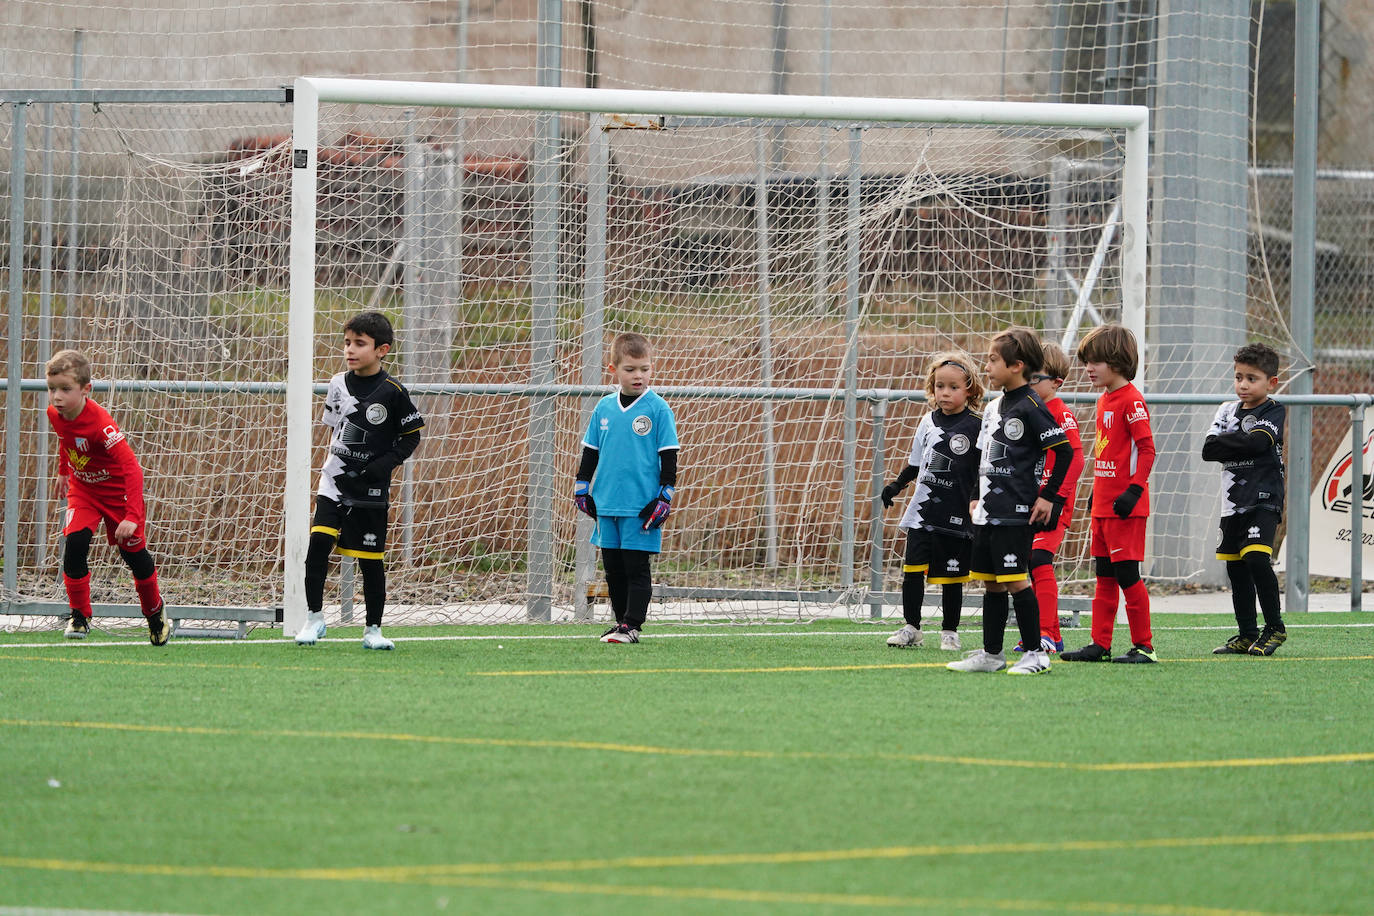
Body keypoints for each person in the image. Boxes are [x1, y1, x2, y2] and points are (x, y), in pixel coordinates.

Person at [947, 328, 1074, 675]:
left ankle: (1036, 654)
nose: (986, 366)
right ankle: (992, 654)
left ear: (1017, 365)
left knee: (1017, 580)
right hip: (988, 511)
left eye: (992, 360)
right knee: (990, 582)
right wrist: (975, 496)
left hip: (1016, 511)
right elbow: (982, 457)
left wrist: (1048, 497)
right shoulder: (993, 407)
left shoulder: (1032, 406)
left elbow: (1062, 452)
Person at [296, 311, 424, 649]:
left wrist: (384, 464)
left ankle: (373, 630)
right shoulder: (337, 384)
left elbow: (411, 436)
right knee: (319, 544)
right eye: (347, 343)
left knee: (370, 561)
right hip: (334, 482)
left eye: (359, 344)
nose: (350, 350)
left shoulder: (394, 391)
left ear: (381, 350)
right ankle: (313, 618)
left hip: (370, 491)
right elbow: (336, 428)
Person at [45, 349, 170, 645]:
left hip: (117, 497)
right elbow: (66, 441)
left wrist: (132, 517)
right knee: (75, 544)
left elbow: (132, 469)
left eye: (65, 389)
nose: (56, 397)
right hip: (84, 491)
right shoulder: (55, 414)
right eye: (52, 389)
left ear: (86, 389)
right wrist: (64, 471)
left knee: (133, 556)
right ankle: (79, 615)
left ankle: (155, 613)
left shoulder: (102, 424)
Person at [574, 332, 679, 644]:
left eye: (645, 369)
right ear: (614, 370)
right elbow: (590, 452)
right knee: (614, 570)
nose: (639, 376)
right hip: (607, 504)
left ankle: (633, 625)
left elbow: (669, 457)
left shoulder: (658, 409)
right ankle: (621, 623)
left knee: (636, 567)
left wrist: (665, 495)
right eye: (631, 369)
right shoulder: (604, 409)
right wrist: (582, 487)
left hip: (640, 506)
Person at [1061, 324, 1157, 664]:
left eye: (1096, 361)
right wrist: (1096, 493)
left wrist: (1133, 491)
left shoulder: (1132, 400)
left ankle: (1144, 646)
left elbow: (1147, 450)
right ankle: (1100, 644)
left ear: (1116, 361)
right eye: (1087, 361)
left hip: (1126, 509)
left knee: (1128, 576)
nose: (1089, 368)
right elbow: (1109, 454)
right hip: (1104, 505)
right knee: (1103, 576)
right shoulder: (1104, 400)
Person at [880, 351, 984, 652]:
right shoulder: (927, 421)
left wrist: (977, 500)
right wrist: (897, 485)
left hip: (957, 513)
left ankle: (950, 632)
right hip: (922, 513)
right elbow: (915, 463)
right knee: (912, 571)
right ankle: (911, 627)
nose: (945, 392)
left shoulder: (977, 424)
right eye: (940, 386)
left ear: (969, 390)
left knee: (953, 577)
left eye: (953, 387)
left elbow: (982, 469)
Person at [1203, 343, 1288, 656]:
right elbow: (1208, 450)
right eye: (1239, 377)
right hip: (1233, 501)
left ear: (1271, 382)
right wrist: (1240, 443)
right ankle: (1246, 633)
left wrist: (1231, 443)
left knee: (1256, 559)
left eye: (1252, 378)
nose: (1243, 384)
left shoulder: (1274, 410)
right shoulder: (1226, 410)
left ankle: (1275, 627)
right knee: (1236, 569)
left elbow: (1258, 443)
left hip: (1264, 497)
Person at [1013, 341, 1085, 654]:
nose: (1027, 384)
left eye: (1034, 379)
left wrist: (1056, 499)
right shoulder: (1031, 412)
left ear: (1056, 382)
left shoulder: (1060, 413)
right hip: (1031, 501)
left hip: (1052, 502)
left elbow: (1077, 459)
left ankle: (1043, 632)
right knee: (1028, 564)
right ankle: (1049, 636)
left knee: (1039, 560)